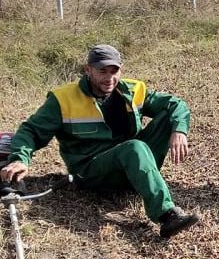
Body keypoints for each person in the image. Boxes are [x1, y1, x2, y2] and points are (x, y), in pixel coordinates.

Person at [0, 44, 198, 238]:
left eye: (114, 71)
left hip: (131, 160)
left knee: (167, 117)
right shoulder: (63, 99)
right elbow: (31, 130)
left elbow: (176, 104)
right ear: (88, 70)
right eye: (102, 71)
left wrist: (179, 130)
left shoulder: (133, 89)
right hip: (90, 171)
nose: (109, 78)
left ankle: (142, 177)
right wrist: (20, 158)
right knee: (134, 148)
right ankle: (166, 215)